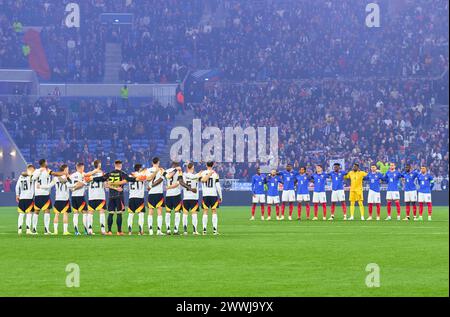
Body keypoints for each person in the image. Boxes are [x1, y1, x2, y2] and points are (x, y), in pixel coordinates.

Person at [91, 160, 137, 235]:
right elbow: (129, 179)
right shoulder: (122, 173)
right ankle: (119, 231)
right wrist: (137, 179)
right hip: (119, 196)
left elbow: (101, 178)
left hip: (111, 196)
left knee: (111, 213)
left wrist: (92, 179)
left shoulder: (109, 173)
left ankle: (109, 231)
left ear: (114, 165)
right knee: (119, 213)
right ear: (120, 165)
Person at [38, 164, 83, 235]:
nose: (68, 170)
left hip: (58, 198)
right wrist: (76, 184)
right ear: (64, 170)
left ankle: (55, 231)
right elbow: (69, 186)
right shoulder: (66, 178)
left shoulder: (56, 178)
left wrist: (40, 186)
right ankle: (65, 231)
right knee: (65, 214)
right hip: (65, 199)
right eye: (67, 169)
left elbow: (48, 186)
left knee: (56, 214)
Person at [31, 159, 68, 234]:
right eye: (46, 162)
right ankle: (40, 229)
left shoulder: (43, 170)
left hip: (41, 193)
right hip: (42, 193)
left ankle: (41, 229)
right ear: (44, 163)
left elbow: (53, 174)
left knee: (41, 211)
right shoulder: (41, 170)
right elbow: (33, 178)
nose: (47, 163)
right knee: (42, 211)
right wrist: (63, 173)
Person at [164, 162, 190, 235]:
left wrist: (168, 187)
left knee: (168, 212)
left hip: (168, 194)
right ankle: (176, 229)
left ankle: (168, 229)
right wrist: (177, 170)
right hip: (176, 194)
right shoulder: (179, 171)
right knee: (177, 212)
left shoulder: (166, 171)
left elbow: (168, 177)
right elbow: (179, 183)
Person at [144, 157, 166, 235]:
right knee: (159, 212)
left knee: (150, 212)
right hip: (159, 193)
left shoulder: (148, 170)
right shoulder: (161, 170)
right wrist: (157, 171)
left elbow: (148, 179)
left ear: (152, 162)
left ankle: (151, 230)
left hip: (151, 193)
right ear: (158, 162)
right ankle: (158, 231)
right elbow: (159, 179)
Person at [200, 161, 222, 235]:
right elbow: (218, 187)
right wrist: (221, 196)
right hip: (213, 195)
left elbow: (201, 180)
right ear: (213, 165)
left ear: (206, 165)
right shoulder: (215, 174)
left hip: (205, 195)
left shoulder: (202, 173)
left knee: (205, 212)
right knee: (214, 211)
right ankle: (215, 230)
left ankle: (204, 230)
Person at [182, 163, 202, 234]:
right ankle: (194, 231)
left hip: (186, 197)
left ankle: (185, 231)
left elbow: (181, 182)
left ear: (187, 168)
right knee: (194, 214)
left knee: (185, 214)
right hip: (194, 198)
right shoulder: (196, 176)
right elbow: (200, 179)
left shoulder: (184, 175)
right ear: (193, 168)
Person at [127, 163, 147, 235]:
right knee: (141, 214)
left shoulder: (130, 175)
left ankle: (129, 231)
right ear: (139, 169)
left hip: (131, 197)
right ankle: (140, 231)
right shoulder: (141, 175)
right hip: (139, 197)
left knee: (130, 214)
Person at [15, 164, 35, 235]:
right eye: (33, 169)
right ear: (30, 169)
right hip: (29, 198)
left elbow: (17, 186)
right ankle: (28, 230)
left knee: (21, 214)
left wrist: (17, 195)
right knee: (29, 214)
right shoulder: (32, 176)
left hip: (22, 198)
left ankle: (19, 230)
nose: (33, 171)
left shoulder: (21, 176)